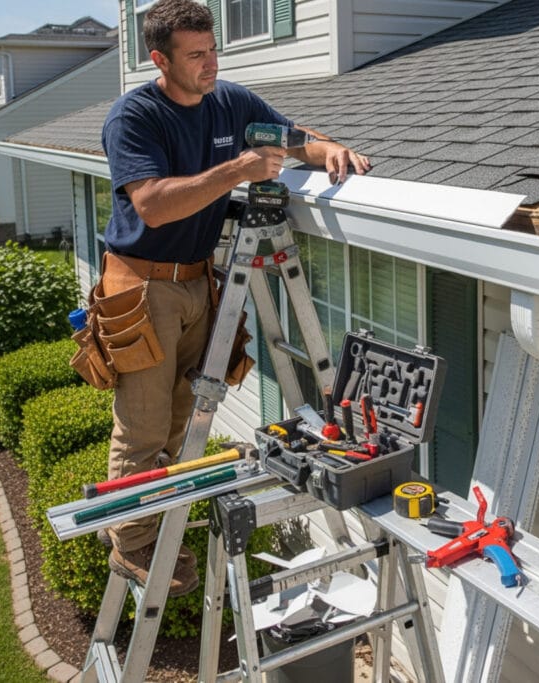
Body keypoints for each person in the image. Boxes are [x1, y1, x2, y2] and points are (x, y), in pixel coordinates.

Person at [99, 0, 370, 596]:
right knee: (143, 425)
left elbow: (293, 139)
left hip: (200, 278)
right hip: (141, 283)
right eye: (195, 55)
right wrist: (238, 171)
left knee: (177, 419)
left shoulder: (232, 102)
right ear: (159, 59)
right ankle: (132, 546)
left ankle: (133, 519)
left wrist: (330, 153)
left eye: (213, 49)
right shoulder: (134, 117)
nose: (210, 64)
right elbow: (152, 204)